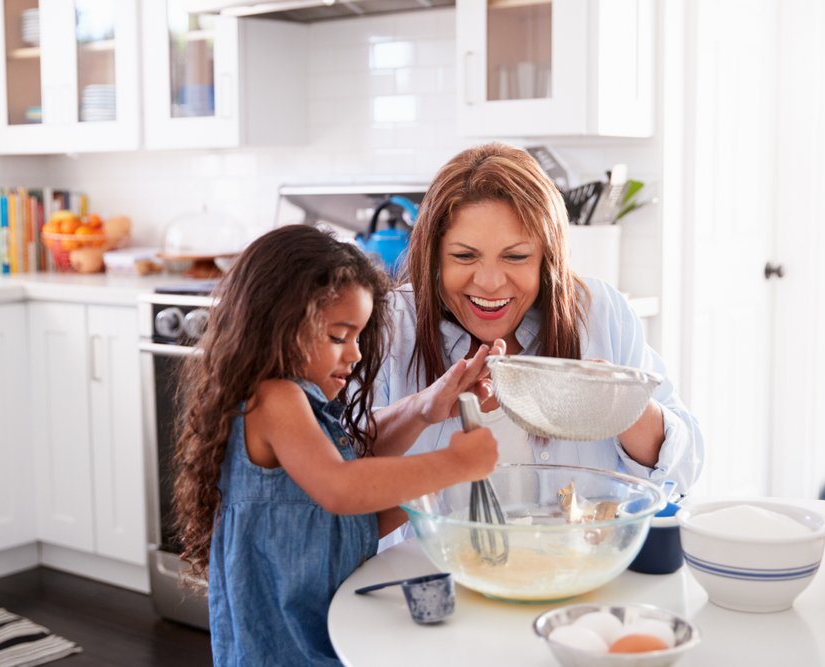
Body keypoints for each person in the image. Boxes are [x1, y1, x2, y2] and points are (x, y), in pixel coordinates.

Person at [172, 225, 498, 667]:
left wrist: (426, 415)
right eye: (338, 336)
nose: (356, 354)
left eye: (359, 336)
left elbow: (340, 512)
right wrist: (455, 464)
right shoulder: (275, 399)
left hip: (325, 637)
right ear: (278, 325)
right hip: (282, 654)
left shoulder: (303, 410)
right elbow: (341, 487)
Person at [370, 143, 704, 547]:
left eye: (516, 256)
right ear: (432, 256)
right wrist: (422, 409)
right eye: (464, 256)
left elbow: (683, 471)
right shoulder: (391, 324)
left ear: (547, 258)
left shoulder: (598, 314)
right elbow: (335, 478)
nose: (490, 283)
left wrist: (624, 407)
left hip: (577, 578)